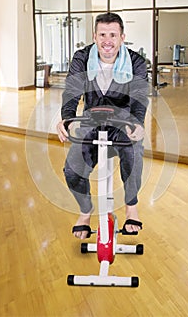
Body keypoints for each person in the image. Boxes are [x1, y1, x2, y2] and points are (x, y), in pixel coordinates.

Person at [57, 12, 149, 239]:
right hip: (91, 121)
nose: (107, 41)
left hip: (124, 122)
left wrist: (137, 123)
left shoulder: (136, 62)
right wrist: (67, 118)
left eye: (113, 35)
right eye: (102, 35)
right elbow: (72, 90)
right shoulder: (81, 57)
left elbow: (139, 96)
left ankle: (131, 207)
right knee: (72, 169)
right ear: (95, 36)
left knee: (134, 155)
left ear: (122, 37)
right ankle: (85, 211)